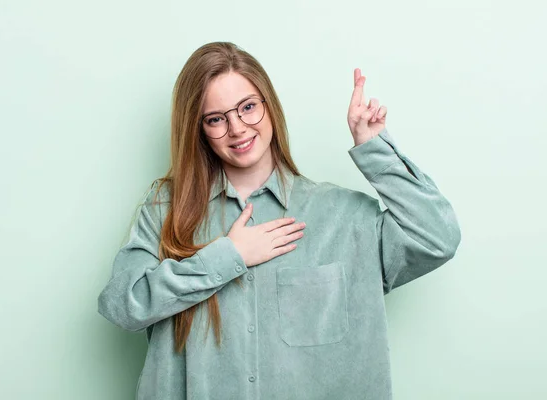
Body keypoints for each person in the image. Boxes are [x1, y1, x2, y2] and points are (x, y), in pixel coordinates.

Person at [97, 41, 461, 400]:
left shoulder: (344, 217)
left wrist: (373, 145)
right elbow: (121, 306)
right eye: (216, 119)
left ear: (270, 106)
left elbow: (436, 237)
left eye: (248, 107)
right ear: (199, 130)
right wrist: (227, 257)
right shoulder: (166, 209)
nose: (237, 128)